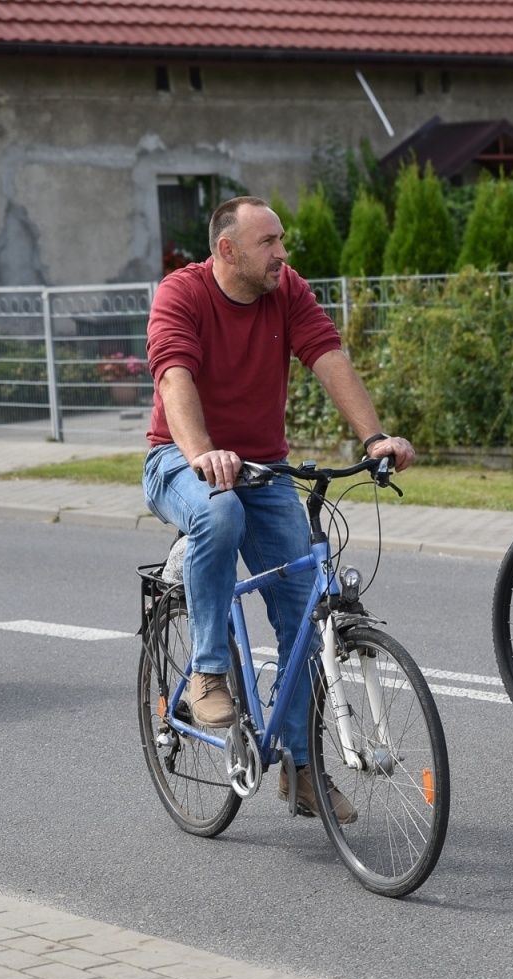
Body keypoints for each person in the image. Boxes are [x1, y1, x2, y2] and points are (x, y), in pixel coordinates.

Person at [143, 195, 414, 823]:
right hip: (179, 461)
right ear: (227, 250)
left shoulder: (286, 291)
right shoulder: (181, 295)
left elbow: (326, 355)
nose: (283, 254)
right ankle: (210, 672)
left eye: (282, 240)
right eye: (269, 243)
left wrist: (374, 438)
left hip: (263, 471)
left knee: (304, 611)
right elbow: (173, 375)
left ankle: (301, 769)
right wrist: (203, 454)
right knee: (219, 513)